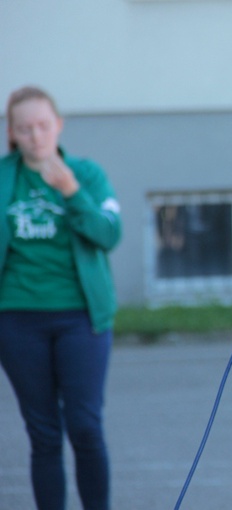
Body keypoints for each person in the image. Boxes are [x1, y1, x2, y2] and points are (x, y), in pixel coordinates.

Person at [0, 86, 121, 510]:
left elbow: (108, 234)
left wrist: (71, 192)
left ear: (58, 126)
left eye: (43, 126)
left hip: (80, 319)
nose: (35, 136)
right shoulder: (3, 177)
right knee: (43, 433)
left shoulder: (86, 174)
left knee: (85, 426)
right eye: (24, 128)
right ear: (11, 133)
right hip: (16, 320)